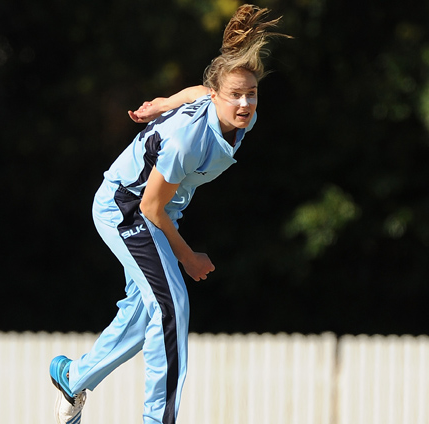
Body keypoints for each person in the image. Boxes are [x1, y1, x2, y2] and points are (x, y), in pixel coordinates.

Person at [49, 4, 290, 424]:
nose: (246, 103)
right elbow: (150, 207)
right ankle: (158, 419)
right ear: (220, 94)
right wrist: (188, 257)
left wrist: (162, 102)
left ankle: (74, 376)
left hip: (153, 213)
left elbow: (197, 93)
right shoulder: (186, 142)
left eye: (251, 93)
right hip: (126, 208)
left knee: (144, 311)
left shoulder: (237, 115)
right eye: (236, 94)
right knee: (171, 306)